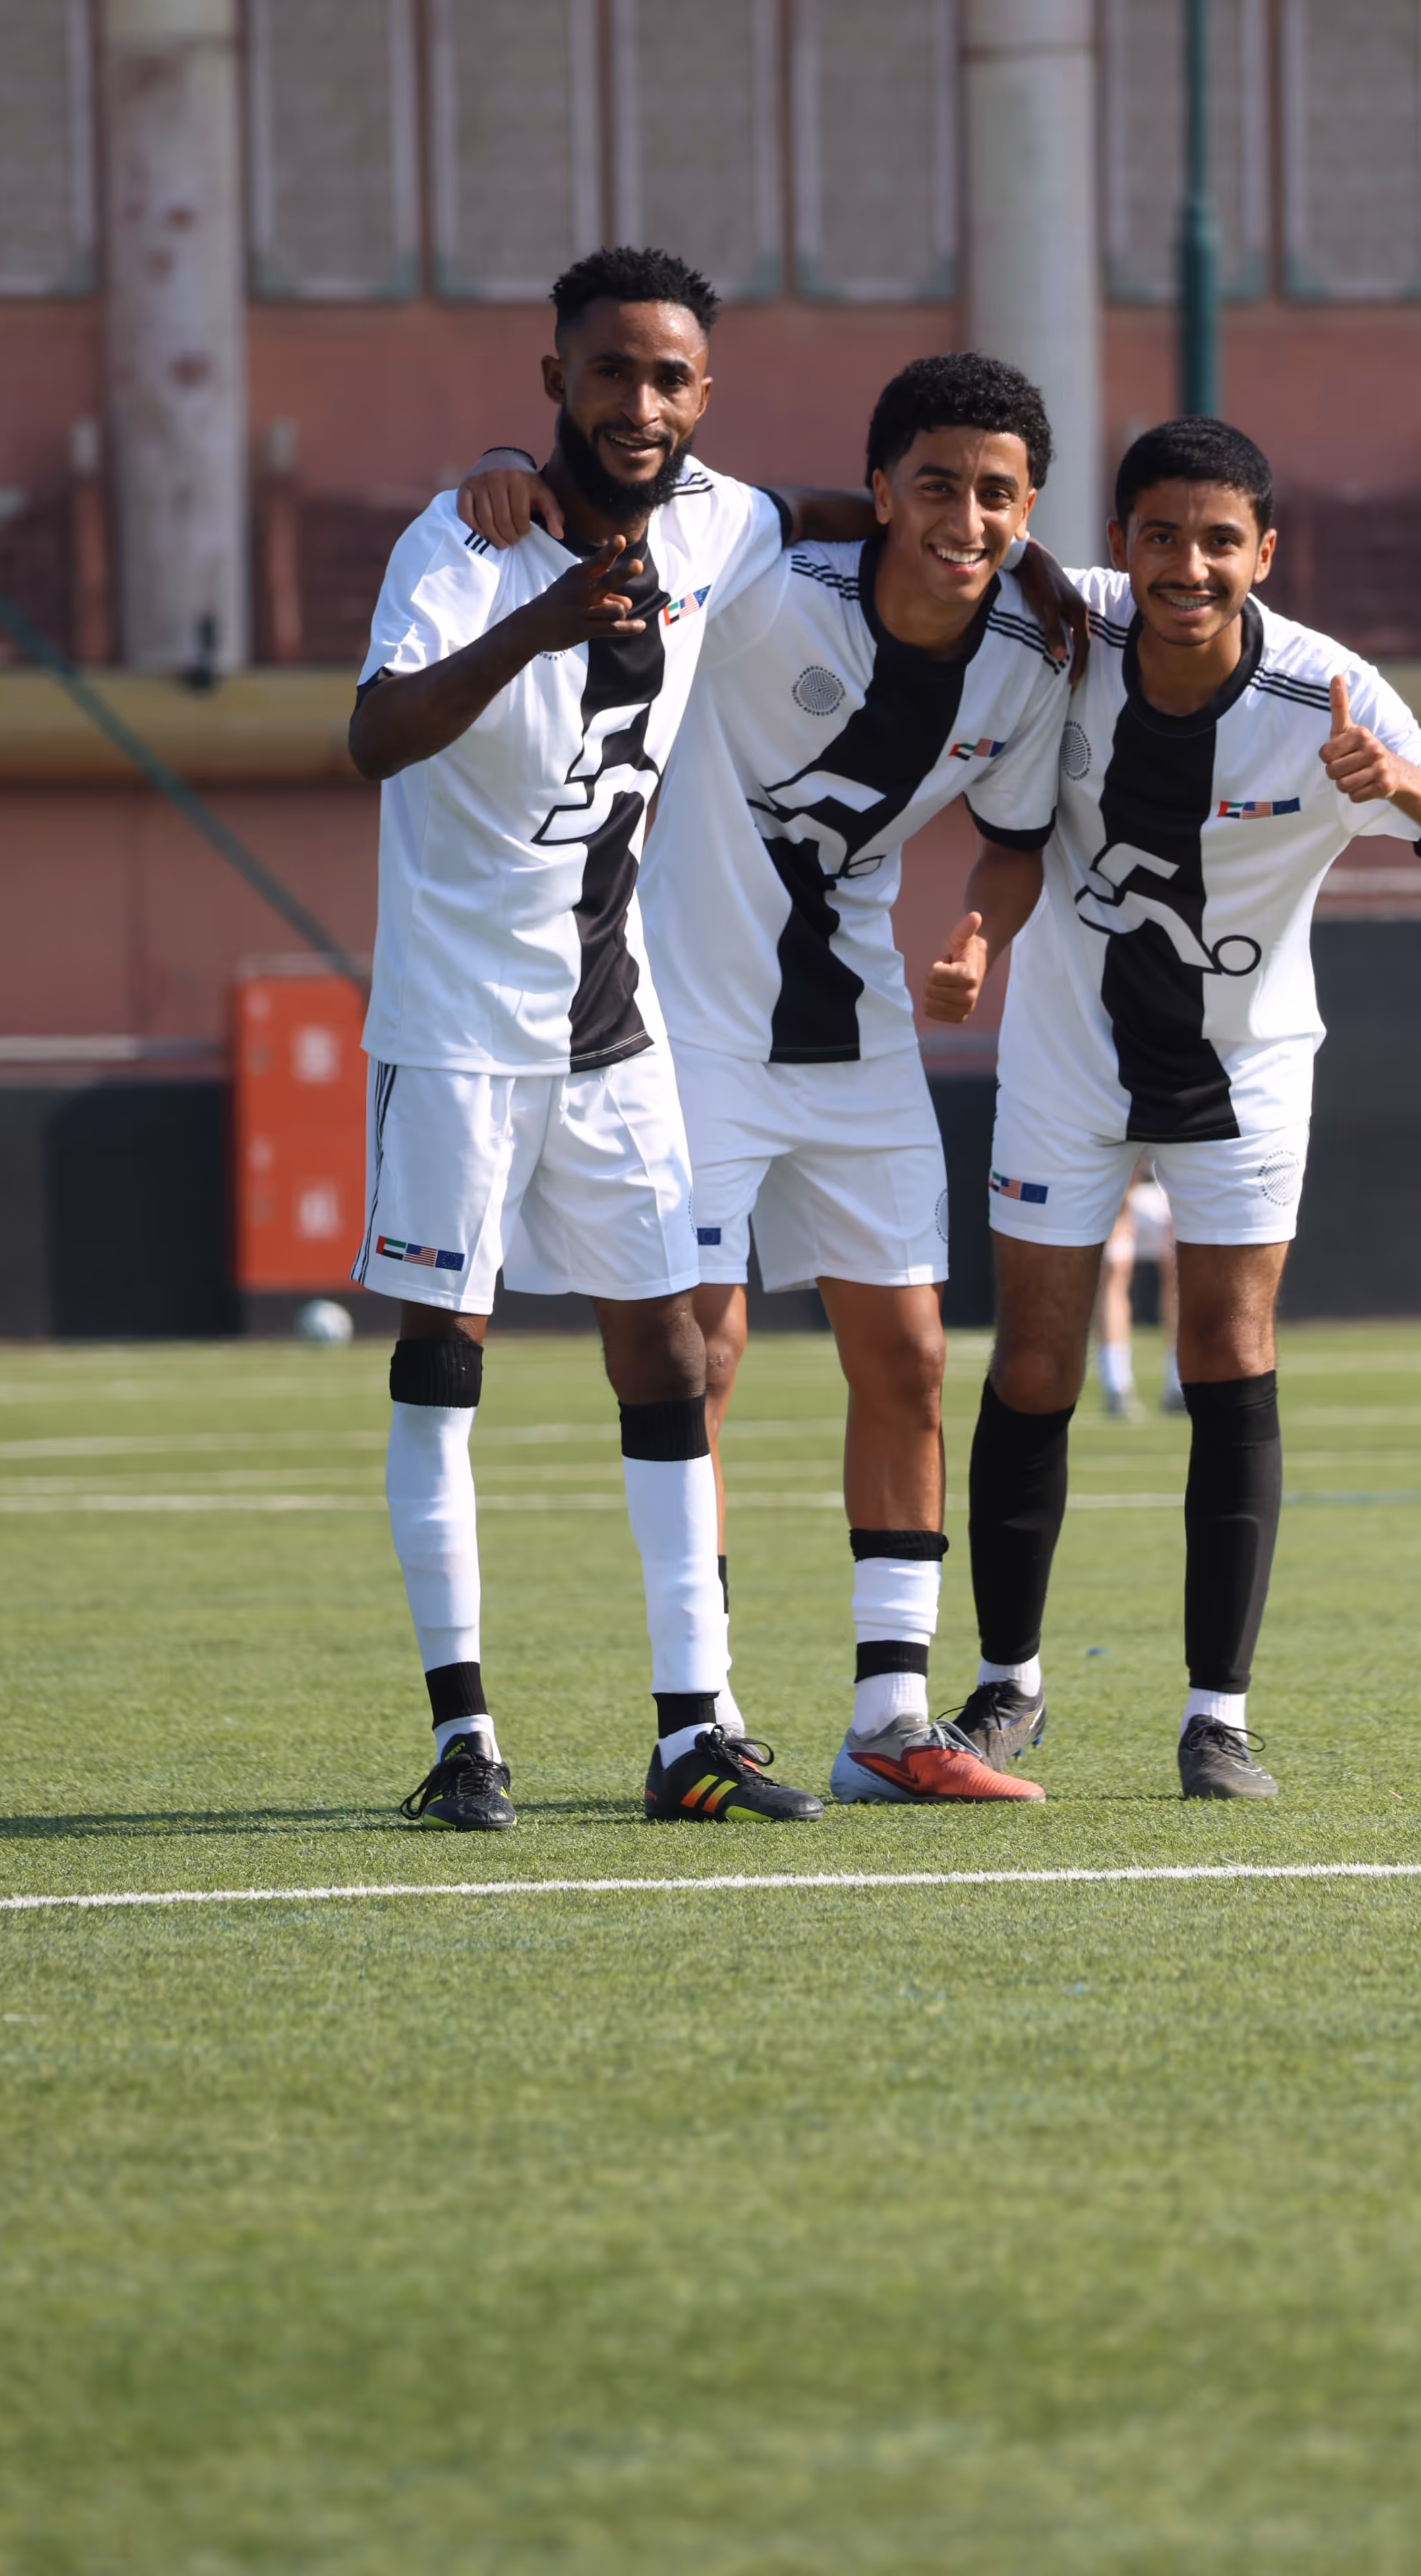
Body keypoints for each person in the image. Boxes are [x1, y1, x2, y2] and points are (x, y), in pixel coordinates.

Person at [460, 354, 1076, 1806]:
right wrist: (509, 464)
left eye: (998, 497)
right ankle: (705, 1713)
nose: (965, 520)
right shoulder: (768, 589)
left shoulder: (1029, 659)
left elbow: (1012, 830)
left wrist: (976, 933)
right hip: (689, 1037)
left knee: (912, 1358)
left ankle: (890, 1715)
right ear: (879, 493)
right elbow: (638, 507)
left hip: (856, 1036)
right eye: (935, 486)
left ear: (1029, 509)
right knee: (709, 1357)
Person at [349, 243, 898, 1834]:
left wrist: (1033, 569)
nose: (639, 403)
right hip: (456, 1030)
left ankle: (688, 1738)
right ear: (555, 382)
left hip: (615, 1028)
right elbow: (373, 734)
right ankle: (466, 1736)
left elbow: (831, 515)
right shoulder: (465, 540)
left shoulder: (721, 519)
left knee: (668, 1351)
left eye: (670, 377)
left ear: (702, 395)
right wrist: (540, 623)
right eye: (610, 372)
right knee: (444, 1364)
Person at [928, 416, 1421, 1798]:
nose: (1187, 566)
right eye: (1161, 537)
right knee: (1032, 1366)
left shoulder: (1334, 694)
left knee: (1227, 1352)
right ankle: (1005, 1686)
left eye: (1219, 541)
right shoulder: (1063, 630)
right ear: (1117, 547)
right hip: (1068, 1060)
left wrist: (1404, 792)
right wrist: (977, 937)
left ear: (1263, 553)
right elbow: (939, 531)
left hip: (1245, 1071)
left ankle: (1215, 1717)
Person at [1095, 1163, 1182, 1420]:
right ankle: (1116, 1384)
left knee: (1180, 1278)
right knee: (1114, 1272)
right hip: (1121, 1189)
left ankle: (1179, 1383)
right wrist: (1120, 1197)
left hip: (1169, 1190)